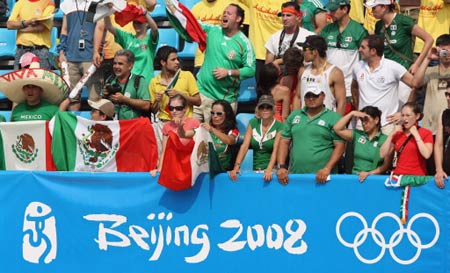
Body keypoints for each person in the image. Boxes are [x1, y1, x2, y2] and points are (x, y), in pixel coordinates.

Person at [351, 35, 428, 135]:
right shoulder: (357, 66)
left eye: (363, 47)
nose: (359, 49)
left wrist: (402, 113)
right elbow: (354, 87)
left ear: (373, 51)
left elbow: (415, 85)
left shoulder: (393, 67)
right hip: (363, 124)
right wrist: (357, 110)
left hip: (386, 125)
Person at [194, 4, 255, 122]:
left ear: (238, 19)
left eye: (229, 13)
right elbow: (194, 25)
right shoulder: (213, 30)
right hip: (201, 94)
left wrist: (229, 72)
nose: (225, 15)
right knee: (192, 136)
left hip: (224, 101)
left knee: (217, 138)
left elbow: (250, 69)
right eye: (224, 12)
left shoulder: (244, 43)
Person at [277, 85, 345, 184]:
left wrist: (327, 168)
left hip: (323, 177)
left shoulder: (334, 118)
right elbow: (284, 142)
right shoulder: (294, 115)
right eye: (308, 96)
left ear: (323, 96)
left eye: (315, 95)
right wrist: (281, 166)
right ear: (304, 98)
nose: (311, 98)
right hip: (296, 175)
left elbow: (340, 146)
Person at [150, 46, 201, 154]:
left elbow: (198, 101)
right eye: (173, 60)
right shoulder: (154, 82)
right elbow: (153, 110)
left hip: (184, 124)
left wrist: (180, 94)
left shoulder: (187, 76)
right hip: (163, 125)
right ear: (163, 62)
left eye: (177, 59)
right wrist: (156, 101)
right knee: (163, 157)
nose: (177, 62)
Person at [321, 0, 368, 113]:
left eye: (334, 10)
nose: (330, 13)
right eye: (330, 10)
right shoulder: (326, 30)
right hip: (327, 85)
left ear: (345, 9)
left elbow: (365, 60)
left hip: (348, 87)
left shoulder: (359, 31)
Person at [367, 0, 433, 75]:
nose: (372, 11)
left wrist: (417, 64)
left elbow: (429, 39)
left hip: (404, 73)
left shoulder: (403, 21)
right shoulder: (378, 25)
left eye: (374, 8)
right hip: (386, 73)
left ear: (384, 7)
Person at [229, 95, 283, 181]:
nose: (265, 110)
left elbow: (276, 150)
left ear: (273, 109)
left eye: (268, 107)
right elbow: (244, 146)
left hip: (272, 170)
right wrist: (236, 166)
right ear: (258, 109)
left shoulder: (280, 126)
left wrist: (269, 169)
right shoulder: (253, 123)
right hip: (254, 169)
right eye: (262, 107)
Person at [0, 57, 68, 122]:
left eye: (34, 87)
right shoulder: (17, 110)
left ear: (41, 90)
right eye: (27, 87)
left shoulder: (53, 110)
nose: (30, 91)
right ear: (23, 90)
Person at [191, 0, 250, 75]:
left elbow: (238, 31)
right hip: (202, 59)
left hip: (224, 58)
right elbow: (192, 31)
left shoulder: (229, 6)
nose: (226, 14)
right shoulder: (196, 8)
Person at [333, 106, 390, 182]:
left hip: (374, 179)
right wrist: (351, 113)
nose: (363, 123)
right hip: (355, 178)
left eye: (366, 120)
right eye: (362, 120)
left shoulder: (385, 139)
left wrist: (369, 173)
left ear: (376, 120)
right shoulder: (357, 134)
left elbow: (386, 165)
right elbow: (337, 128)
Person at [103, 7, 158, 84]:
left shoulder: (150, 40)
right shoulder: (127, 38)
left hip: (146, 81)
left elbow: (155, 29)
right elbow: (109, 26)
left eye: (139, 22)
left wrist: (145, 13)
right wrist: (106, 11)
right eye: (135, 22)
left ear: (146, 23)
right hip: (130, 82)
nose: (136, 25)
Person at [295, 35, 346, 115]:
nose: (302, 52)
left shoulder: (335, 72)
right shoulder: (302, 71)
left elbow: (341, 102)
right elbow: (297, 97)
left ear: (314, 52)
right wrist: (296, 119)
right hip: (305, 121)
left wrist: (337, 123)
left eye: (305, 49)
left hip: (326, 122)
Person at [380, 102, 433, 176]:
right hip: (398, 176)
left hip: (417, 177)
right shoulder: (398, 133)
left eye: (408, 115)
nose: (405, 118)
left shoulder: (426, 133)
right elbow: (382, 154)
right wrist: (391, 134)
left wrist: (416, 135)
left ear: (417, 116)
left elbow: (427, 155)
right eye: (403, 115)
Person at [154, 94, 200, 175]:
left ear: (185, 109)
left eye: (178, 108)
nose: (174, 111)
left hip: (190, 165)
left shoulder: (194, 123)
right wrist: (160, 169)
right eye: (171, 108)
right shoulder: (167, 126)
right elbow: (164, 150)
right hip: (174, 165)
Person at [415, 34, 450, 135]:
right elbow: (416, 83)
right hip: (430, 128)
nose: (447, 54)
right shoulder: (430, 71)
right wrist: (428, 58)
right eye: (444, 51)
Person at [102, 49, 150, 120]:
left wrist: (125, 100)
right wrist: (104, 96)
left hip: (132, 127)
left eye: (120, 64)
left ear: (130, 66)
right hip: (114, 126)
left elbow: (146, 105)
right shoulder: (110, 80)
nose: (116, 66)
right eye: (115, 63)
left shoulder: (138, 81)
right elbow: (100, 104)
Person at [6, 0, 55, 70]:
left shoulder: (48, 3)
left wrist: (20, 28)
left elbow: (41, 27)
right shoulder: (20, 3)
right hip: (21, 50)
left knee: (40, 80)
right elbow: (9, 24)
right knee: (19, 80)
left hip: (40, 50)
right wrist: (27, 22)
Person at [264, 1, 315, 67]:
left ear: (298, 18)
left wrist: (278, 61)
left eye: (288, 15)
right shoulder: (274, 37)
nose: (284, 19)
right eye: (283, 15)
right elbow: (268, 65)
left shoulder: (309, 37)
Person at [201, 100, 239, 171]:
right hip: (207, 169)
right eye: (212, 113)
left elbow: (230, 140)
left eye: (219, 113)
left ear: (227, 115)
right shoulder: (205, 128)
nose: (215, 116)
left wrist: (212, 130)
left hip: (225, 170)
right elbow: (187, 134)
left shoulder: (233, 131)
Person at [434, 79, 450, 188]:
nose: (448, 98)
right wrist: (439, 169)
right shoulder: (443, 114)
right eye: (447, 94)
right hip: (446, 173)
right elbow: (438, 144)